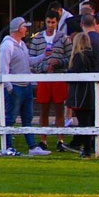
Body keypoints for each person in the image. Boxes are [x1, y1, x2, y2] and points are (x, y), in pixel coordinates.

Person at [0, 17, 51, 156]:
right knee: (10, 118)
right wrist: (9, 87)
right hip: (15, 87)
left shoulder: (21, 45)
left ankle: (32, 146)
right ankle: (8, 146)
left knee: (27, 117)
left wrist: (43, 56)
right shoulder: (7, 46)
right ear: (18, 29)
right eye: (24, 27)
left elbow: (28, 62)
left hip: (25, 86)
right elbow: (3, 68)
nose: (26, 29)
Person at [28, 10, 71, 151]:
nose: (50, 25)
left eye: (53, 22)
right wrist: (44, 66)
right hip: (44, 78)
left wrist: (57, 63)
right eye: (48, 22)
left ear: (57, 22)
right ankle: (43, 140)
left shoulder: (63, 38)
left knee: (59, 109)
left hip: (58, 77)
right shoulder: (38, 38)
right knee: (43, 110)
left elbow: (69, 58)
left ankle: (60, 139)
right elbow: (31, 60)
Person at [66, 32, 98, 157]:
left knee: (84, 122)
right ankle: (83, 145)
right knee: (87, 121)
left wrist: (67, 73)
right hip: (91, 94)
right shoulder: (93, 56)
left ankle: (85, 148)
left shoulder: (80, 57)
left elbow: (75, 75)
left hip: (81, 95)